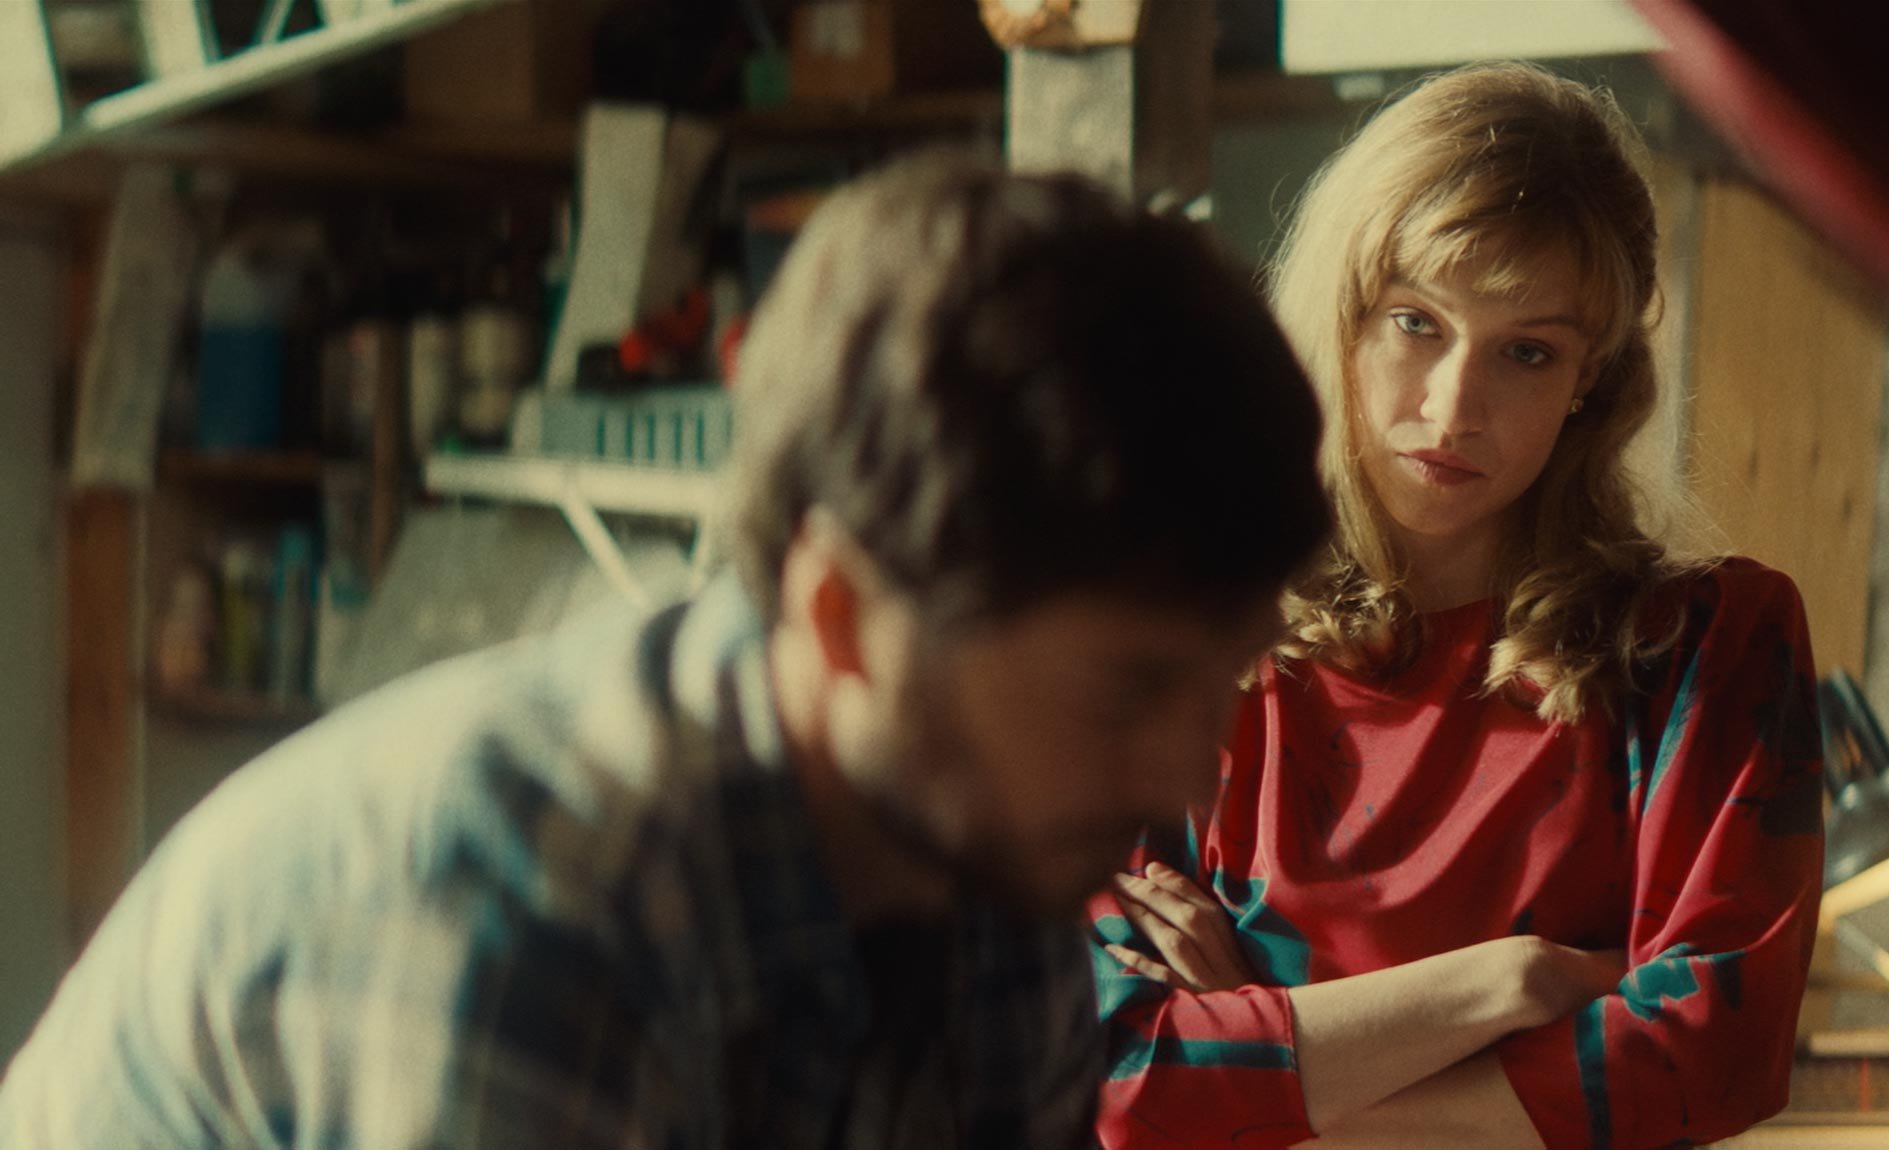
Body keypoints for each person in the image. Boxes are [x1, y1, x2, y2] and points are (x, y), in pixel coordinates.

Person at [0, 154, 1331, 1149]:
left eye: (1217, 677)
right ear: (842, 619)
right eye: (1127, 687)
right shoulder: (529, 909)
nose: (1183, 773)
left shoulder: (991, 846)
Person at [1091, 63, 1825, 1150]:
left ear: (1592, 381)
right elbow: (1112, 1078)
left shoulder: (1704, 647)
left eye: (1527, 351)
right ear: (1342, 315)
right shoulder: (1178, 641)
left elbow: (1709, 1052)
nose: (1453, 408)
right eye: (1416, 322)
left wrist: (1271, 1076)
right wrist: (1510, 982)